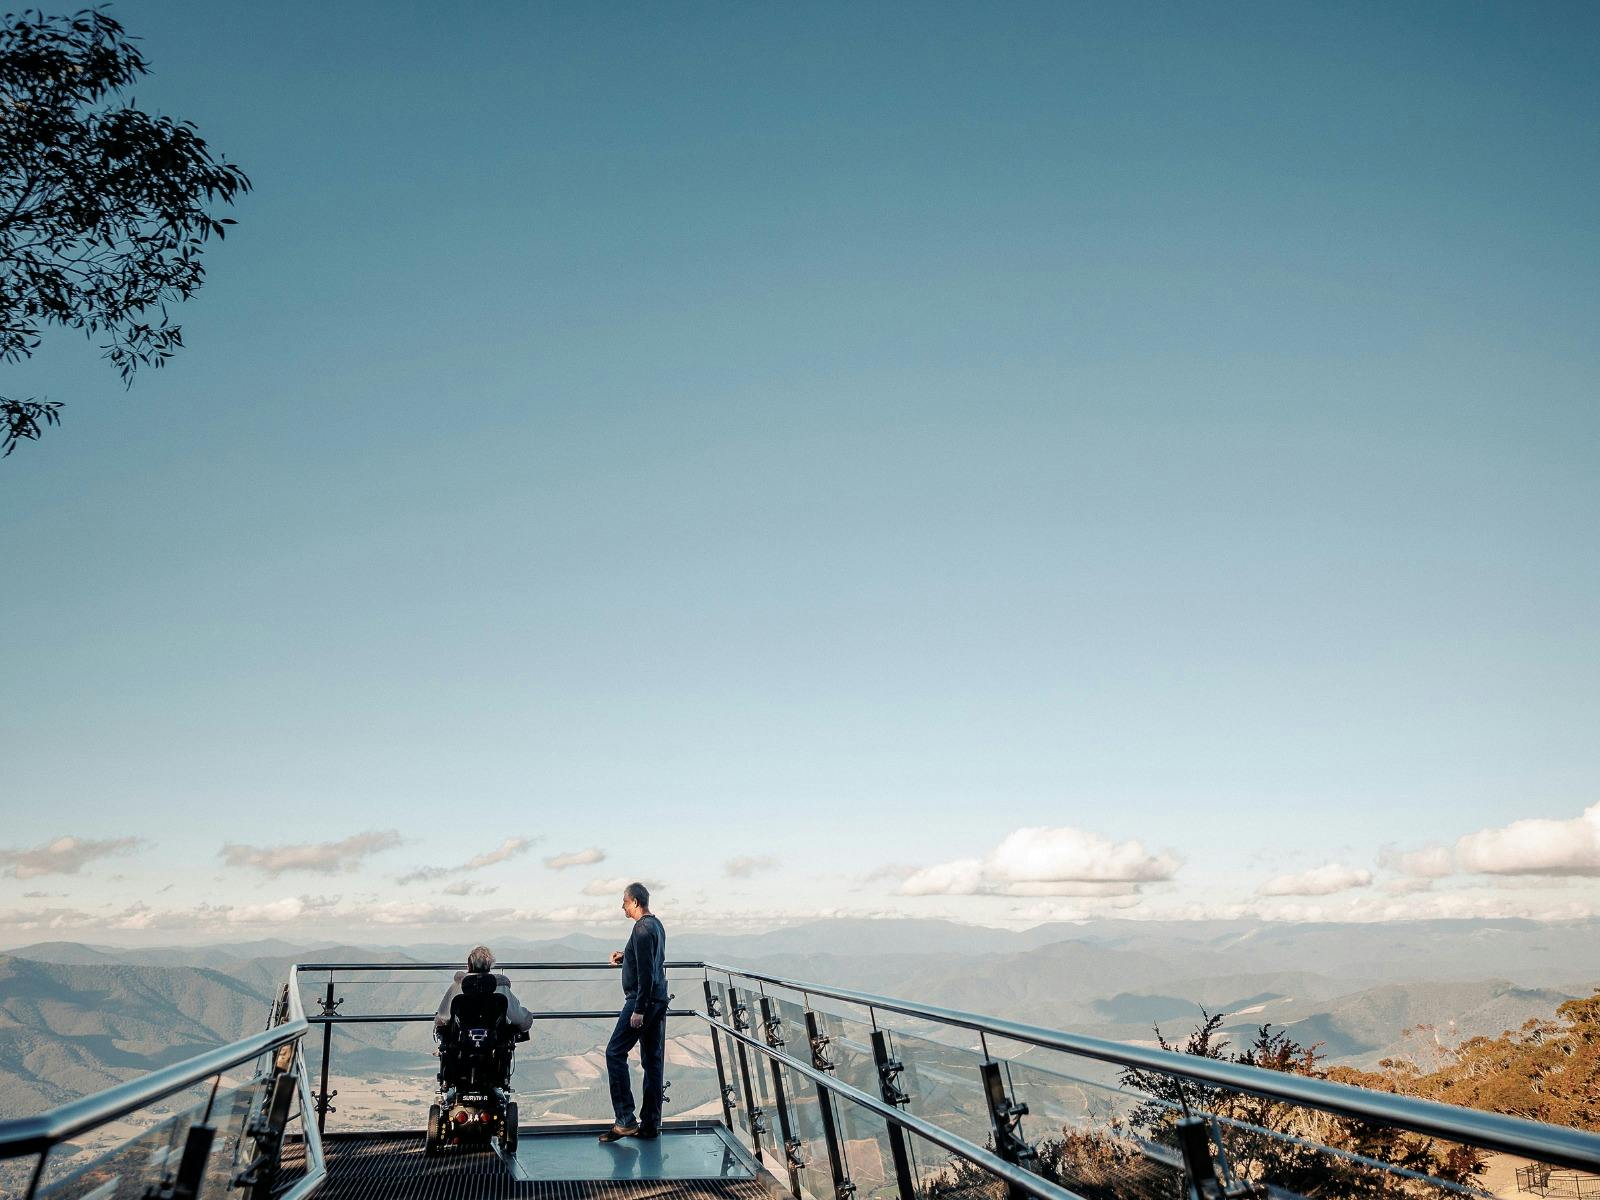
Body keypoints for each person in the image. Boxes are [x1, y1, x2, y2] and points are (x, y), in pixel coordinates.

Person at [599, 882, 668, 1141]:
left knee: (614, 1053)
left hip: (642, 1001)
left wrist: (638, 1009)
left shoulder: (640, 929)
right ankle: (650, 1124)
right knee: (652, 1061)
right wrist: (625, 956)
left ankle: (625, 1120)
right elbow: (648, 960)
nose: (622, 907)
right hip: (658, 999)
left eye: (625, 902)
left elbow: (647, 971)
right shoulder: (656, 925)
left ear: (635, 902)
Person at [434, 945, 534, 1035]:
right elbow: (520, 1018)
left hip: (463, 1046)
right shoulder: (500, 987)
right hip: (495, 1046)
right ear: (489, 966)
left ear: (469, 965)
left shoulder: (458, 986)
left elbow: (443, 1017)